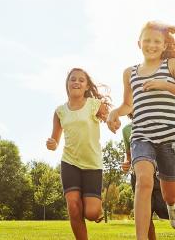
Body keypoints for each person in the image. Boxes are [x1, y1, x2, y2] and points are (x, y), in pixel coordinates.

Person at [107, 21, 175, 239]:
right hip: (141, 134)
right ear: (139, 43)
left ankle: (172, 204)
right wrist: (115, 112)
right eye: (147, 40)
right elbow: (128, 105)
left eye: (157, 41)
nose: (151, 45)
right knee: (143, 180)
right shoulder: (129, 73)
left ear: (164, 45)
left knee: (169, 194)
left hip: (170, 136)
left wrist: (166, 85)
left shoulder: (172, 65)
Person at [46, 68, 110, 240]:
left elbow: (109, 118)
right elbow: (55, 141)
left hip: (92, 164)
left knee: (91, 213)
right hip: (70, 163)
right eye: (73, 79)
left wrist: (112, 122)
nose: (76, 82)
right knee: (74, 207)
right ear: (67, 84)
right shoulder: (60, 111)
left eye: (81, 80)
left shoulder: (93, 104)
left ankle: (96, 208)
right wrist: (52, 143)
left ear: (86, 85)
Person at [121, 119, 175, 240]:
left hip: (159, 174)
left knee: (166, 210)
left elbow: (167, 151)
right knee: (145, 217)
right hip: (138, 176)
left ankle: (172, 200)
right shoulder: (126, 130)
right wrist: (126, 163)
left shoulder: (153, 120)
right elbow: (129, 155)